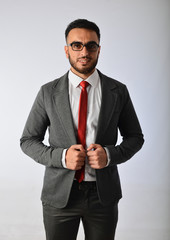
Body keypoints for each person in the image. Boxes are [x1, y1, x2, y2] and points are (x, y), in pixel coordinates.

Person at [20, 19, 144, 240]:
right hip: (59, 196)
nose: (84, 51)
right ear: (66, 50)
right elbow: (28, 140)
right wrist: (62, 156)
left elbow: (135, 137)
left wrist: (109, 155)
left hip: (102, 196)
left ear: (99, 49)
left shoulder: (118, 91)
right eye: (77, 45)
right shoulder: (48, 92)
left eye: (91, 45)